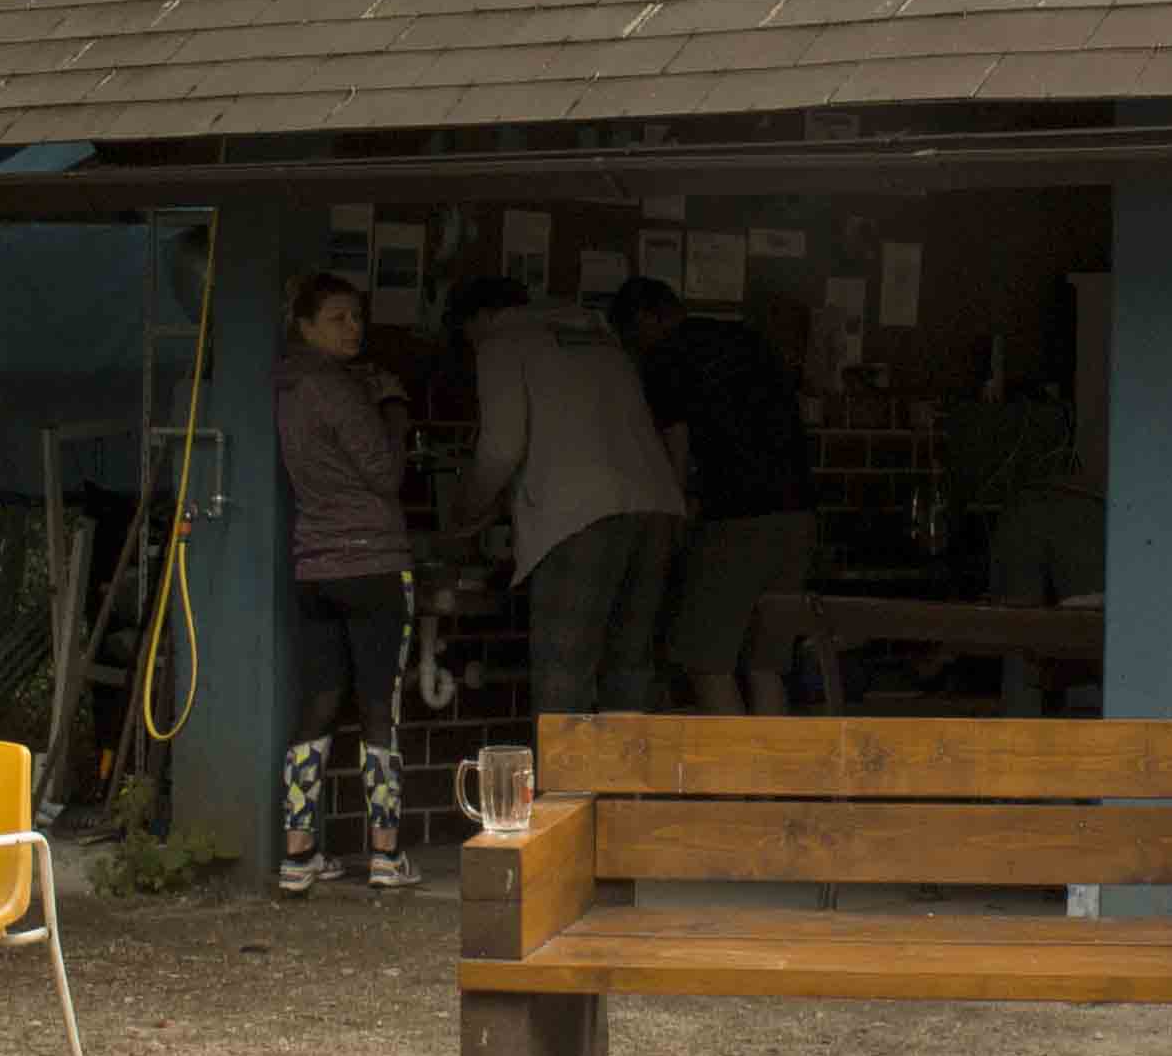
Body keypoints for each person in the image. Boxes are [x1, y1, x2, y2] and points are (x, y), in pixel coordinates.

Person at [445, 273, 685, 718]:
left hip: (580, 518)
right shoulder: (600, 337)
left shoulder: (501, 342)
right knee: (629, 671)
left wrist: (464, 512)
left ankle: (564, 769)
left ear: (477, 318)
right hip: (656, 507)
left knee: (563, 676)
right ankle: (625, 766)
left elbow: (500, 449)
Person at [271, 271, 417, 896]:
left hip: (315, 566)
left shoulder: (286, 387)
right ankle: (386, 854)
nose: (353, 328)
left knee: (320, 702)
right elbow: (385, 473)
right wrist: (394, 407)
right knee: (380, 705)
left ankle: (298, 854)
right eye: (337, 318)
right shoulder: (338, 388)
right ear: (305, 326)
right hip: (374, 562)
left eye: (357, 317)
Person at [612, 277, 817, 714]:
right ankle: (770, 764)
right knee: (765, 666)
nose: (634, 351)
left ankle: (732, 764)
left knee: (706, 664)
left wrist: (676, 523)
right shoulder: (747, 339)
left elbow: (677, 452)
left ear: (647, 320)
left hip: (738, 520)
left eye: (631, 338)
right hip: (798, 514)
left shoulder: (668, 356)